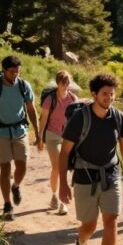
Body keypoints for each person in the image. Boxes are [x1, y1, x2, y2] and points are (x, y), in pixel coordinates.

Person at [58, 73, 123, 245]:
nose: (109, 98)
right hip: (84, 177)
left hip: (111, 174)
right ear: (94, 94)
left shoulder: (119, 117)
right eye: (105, 94)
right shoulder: (80, 118)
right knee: (89, 227)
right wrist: (63, 184)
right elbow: (64, 153)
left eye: (112, 94)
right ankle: (81, 243)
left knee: (111, 220)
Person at [0, 55, 38, 221]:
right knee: (5, 168)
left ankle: (16, 186)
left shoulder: (24, 86)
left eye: (17, 71)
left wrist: (38, 134)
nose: (15, 75)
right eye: (12, 72)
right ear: (4, 71)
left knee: (22, 165)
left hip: (19, 130)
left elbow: (31, 110)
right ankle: (7, 204)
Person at [35, 70, 78, 215]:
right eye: (63, 83)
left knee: (63, 167)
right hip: (52, 136)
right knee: (58, 167)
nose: (65, 86)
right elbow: (44, 119)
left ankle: (59, 199)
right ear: (58, 83)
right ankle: (58, 198)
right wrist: (40, 138)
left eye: (67, 83)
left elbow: (76, 121)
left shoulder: (73, 99)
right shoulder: (50, 99)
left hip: (67, 137)